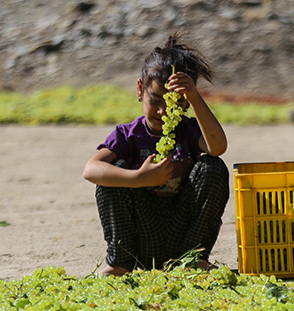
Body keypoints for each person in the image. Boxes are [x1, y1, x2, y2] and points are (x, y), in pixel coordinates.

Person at [83, 33, 230, 276]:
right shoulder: (127, 135)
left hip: (184, 238)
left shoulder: (191, 131)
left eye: (175, 103)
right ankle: (120, 263)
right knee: (112, 172)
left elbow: (218, 147)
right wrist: (140, 178)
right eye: (156, 99)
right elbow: (90, 170)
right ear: (140, 89)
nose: (163, 111)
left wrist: (194, 98)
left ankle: (193, 261)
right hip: (141, 239)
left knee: (213, 166)